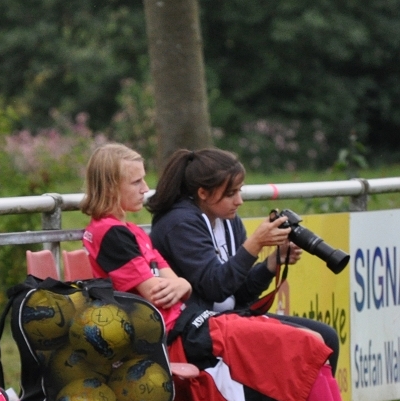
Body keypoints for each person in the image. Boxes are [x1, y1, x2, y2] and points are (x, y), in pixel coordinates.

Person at [80, 143, 383, 401]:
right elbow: (163, 293)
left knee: (314, 343)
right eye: (136, 182)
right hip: (185, 334)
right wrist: (249, 249)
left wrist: (263, 264)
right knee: (309, 344)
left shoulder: (132, 230)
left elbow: (182, 287)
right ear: (112, 186)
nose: (145, 189)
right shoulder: (119, 233)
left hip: (197, 323)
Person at [146, 148, 340, 374]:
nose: (239, 201)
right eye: (230, 194)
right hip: (198, 329)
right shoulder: (179, 223)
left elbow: (241, 293)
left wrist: (273, 263)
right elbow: (216, 287)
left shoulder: (228, 220)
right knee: (311, 341)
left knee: (325, 338)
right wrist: (255, 245)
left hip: (231, 319)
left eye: (239, 191)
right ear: (203, 193)